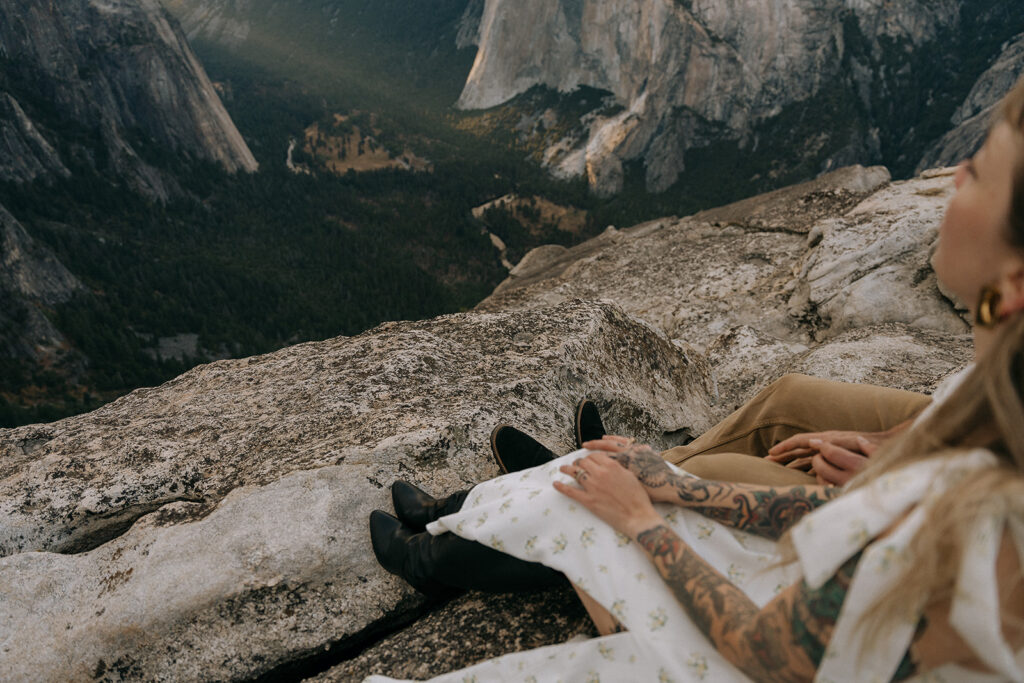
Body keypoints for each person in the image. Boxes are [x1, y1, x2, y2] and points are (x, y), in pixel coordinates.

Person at [366, 78, 1024, 681]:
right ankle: (560, 482)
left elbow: (769, 653)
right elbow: (930, 434)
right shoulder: (997, 398)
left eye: (981, 173)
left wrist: (645, 516)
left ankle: (452, 546)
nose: (954, 171)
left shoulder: (968, 520)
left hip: (767, 651)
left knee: (597, 508)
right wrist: (677, 485)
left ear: (1015, 284)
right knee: (766, 412)